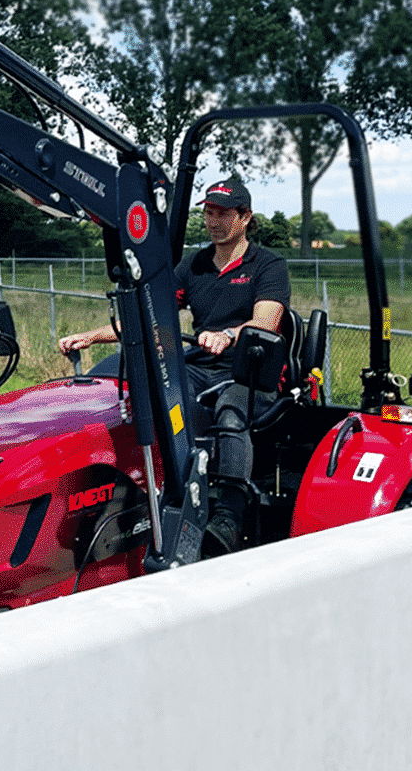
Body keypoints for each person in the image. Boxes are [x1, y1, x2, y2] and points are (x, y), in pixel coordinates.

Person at [56, 178, 290, 553]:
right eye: (209, 213)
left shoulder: (268, 266)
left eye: (223, 214)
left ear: (245, 217)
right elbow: (153, 314)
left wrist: (229, 335)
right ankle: (138, 491)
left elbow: (265, 321)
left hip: (251, 371)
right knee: (143, 389)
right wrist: (92, 336)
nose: (213, 222)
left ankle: (228, 516)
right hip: (201, 365)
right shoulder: (194, 265)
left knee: (232, 410)